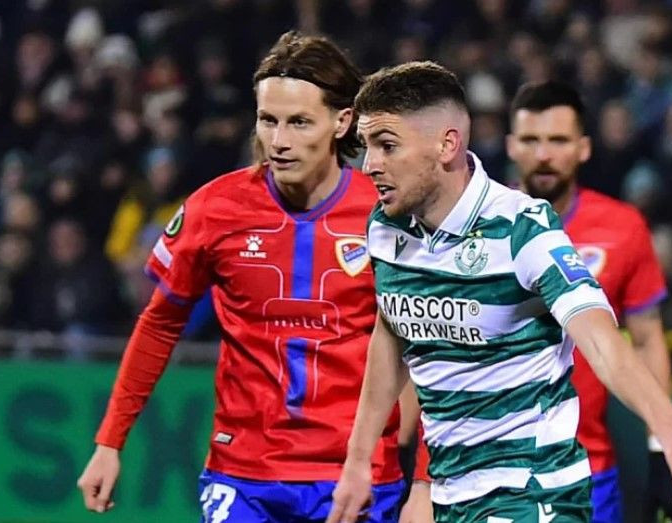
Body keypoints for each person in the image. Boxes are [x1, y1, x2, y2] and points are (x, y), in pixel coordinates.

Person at [326, 61, 672, 523]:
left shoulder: (522, 228)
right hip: (451, 492)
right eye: (367, 147)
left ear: (447, 144)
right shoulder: (386, 228)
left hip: (533, 492)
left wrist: (670, 430)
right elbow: (391, 334)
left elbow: (601, 340)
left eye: (387, 145)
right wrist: (359, 460)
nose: (369, 165)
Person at [77, 31, 417, 522]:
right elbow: (160, 323)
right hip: (243, 476)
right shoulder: (215, 209)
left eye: (299, 122)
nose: (279, 141)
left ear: (342, 122)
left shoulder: (391, 216)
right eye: (268, 120)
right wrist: (110, 442)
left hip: (356, 474)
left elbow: (434, 350)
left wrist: (424, 481)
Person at [507, 80, 672, 522]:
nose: (544, 154)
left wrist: (660, 445)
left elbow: (647, 340)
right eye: (531, 140)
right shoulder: (473, 227)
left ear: (583, 148)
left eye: (558, 140)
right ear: (511, 146)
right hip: (490, 472)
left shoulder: (623, 227)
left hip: (586, 472)